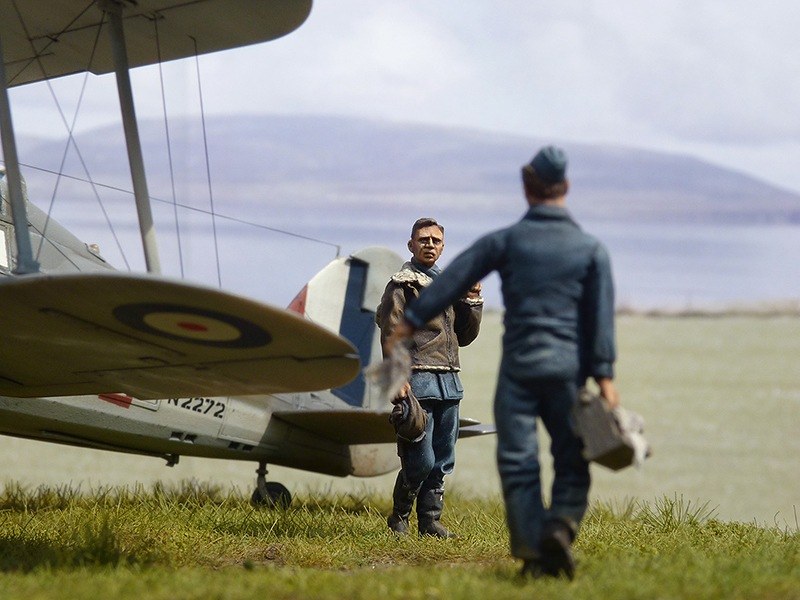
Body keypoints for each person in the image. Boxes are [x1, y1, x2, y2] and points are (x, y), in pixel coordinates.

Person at [384, 147, 618, 578]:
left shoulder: (504, 241)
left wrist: (411, 320)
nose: (431, 245)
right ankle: (562, 526)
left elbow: (453, 279)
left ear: (527, 187)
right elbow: (601, 316)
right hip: (569, 371)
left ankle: (532, 549)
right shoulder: (592, 250)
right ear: (566, 187)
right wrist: (604, 375)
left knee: (518, 460)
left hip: (520, 372)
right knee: (571, 457)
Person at [376, 217, 483, 538]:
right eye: (423, 240)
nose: (430, 245)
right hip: (418, 381)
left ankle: (430, 521)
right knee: (419, 457)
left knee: (443, 458)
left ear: (443, 246)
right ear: (411, 245)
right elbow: (391, 333)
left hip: (450, 382)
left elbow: (464, 336)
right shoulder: (402, 285)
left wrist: (473, 300)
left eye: (436, 241)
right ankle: (399, 518)